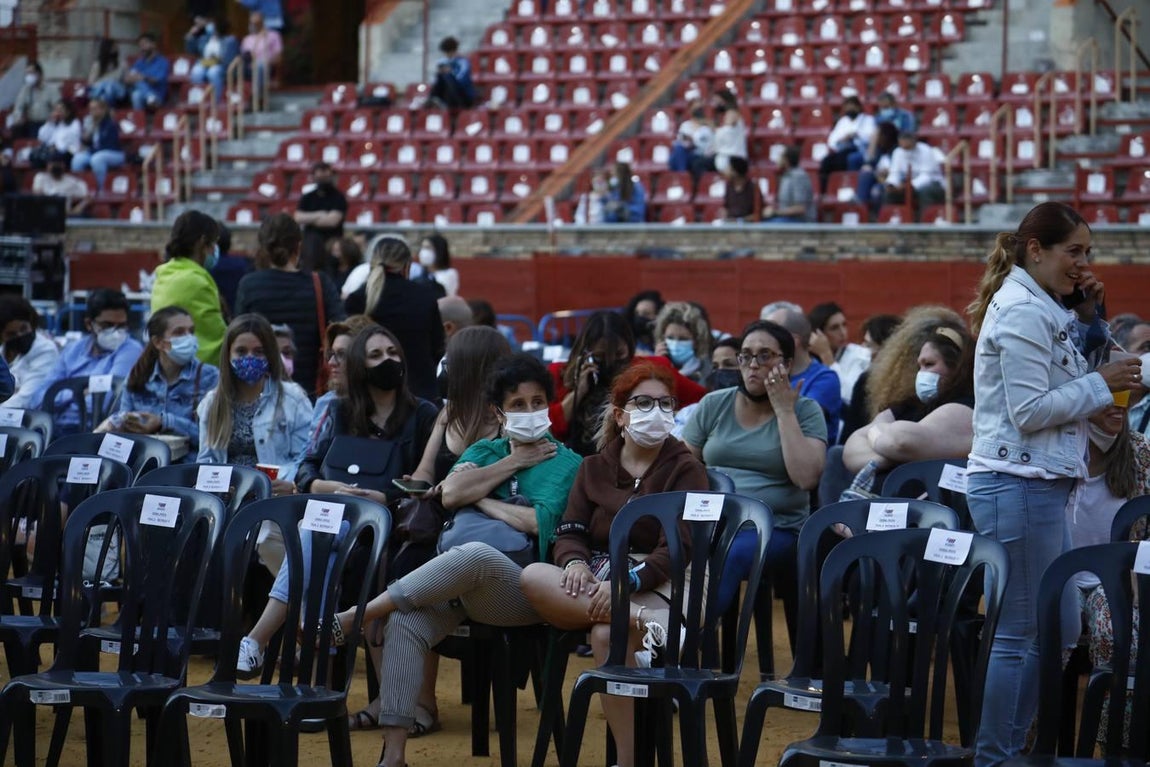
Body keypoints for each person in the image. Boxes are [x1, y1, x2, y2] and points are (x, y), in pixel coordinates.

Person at [328, 353, 582, 767]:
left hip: (523, 589)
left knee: (476, 554)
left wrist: (481, 499)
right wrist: (513, 462)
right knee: (406, 622)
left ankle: (359, 615)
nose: (530, 412)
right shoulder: (486, 450)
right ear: (499, 412)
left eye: (538, 402)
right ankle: (392, 758)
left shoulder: (568, 464)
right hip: (457, 585)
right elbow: (447, 494)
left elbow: (539, 524)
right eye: (518, 405)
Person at [964, 201, 1142, 767]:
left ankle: (1009, 751)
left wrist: (1091, 319)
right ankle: (998, 758)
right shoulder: (1021, 310)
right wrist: (1099, 383)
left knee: (1060, 625)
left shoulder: (1041, 305)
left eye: (1088, 252)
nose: (1084, 262)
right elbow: (1030, 410)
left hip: (1037, 484)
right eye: (1073, 251)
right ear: (1035, 250)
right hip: (1016, 482)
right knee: (1022, 633)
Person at [521, 363, 709, 766]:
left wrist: (625, 583)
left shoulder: (686, 468)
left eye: (665, 403)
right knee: (533, 575)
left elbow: (680, 547)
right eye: (643, 403)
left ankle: (626, 760)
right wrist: (573, 564)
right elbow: (571, 531)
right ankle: (642, 620)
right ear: (621, 414)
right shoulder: (593, 467)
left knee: (607, 635)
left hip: (670, 576)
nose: (655, 412)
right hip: (602, 574)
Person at [236, 324, 439, 679]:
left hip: (391, 524)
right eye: (375, 355)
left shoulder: (422, 414)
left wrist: (383, 497)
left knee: (318, 531)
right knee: (322, 530)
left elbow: (428, 482)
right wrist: (326, 485)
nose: (387, 361)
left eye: (392, 354)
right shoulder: (341, 412)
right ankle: (313, 638)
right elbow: (307, 468)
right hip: (337, 515)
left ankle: (259, 639)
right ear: (361, 365)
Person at [344, 324, 512, 733]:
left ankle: (422, 702)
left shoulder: (507, 420)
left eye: (452, 359)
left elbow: (506, 489)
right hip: (435, 521)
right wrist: (414, 489)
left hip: (481, 532)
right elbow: (422, 473)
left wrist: (454, 490)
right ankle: (388, 693)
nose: (444, 367)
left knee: (413, 573)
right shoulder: (448, 414)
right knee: (369, 563)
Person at [682, 320, 827, 635]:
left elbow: (806, 478)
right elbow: (681, 467)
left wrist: (784, 411)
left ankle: (682, 636)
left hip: (778, 528)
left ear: (787, 364)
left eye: (765, 356)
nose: (753, 366)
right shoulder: (714, 404)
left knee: (731, 553)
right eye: (746, 356)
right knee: (673, 545)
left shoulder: (806, 410)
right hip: (713, 521)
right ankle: (650, 625)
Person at [828, 308, 974, 502]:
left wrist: (877, 435)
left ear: (957, 368)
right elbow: (852, 450)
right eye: (919, 366)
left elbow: (901, 441)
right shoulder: (908, 405)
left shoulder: (965, 407)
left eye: (929, 364)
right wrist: (894, 454)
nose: (921, 373)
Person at [549, 311, 706, 456]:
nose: (610, 362)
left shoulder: (649, 368)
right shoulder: (562, 374)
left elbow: (703, 400)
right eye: (600, 356)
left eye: (619, 354)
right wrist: (578, 392)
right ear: (586, 352)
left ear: (629, 347)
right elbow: (550, 429)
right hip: (578, 459)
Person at [197, 313, 313, 501]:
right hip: (225, 503)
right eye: (241, 352)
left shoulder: (293, 399)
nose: (249, 358)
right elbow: (205, 460)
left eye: (259, 352)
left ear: (270, 354)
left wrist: (290, 481)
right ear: (228, 355)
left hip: (274, 499)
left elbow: (305, 458)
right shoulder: (212, 403)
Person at [235, 213, 346, 397]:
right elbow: (342, 329)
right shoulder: (320, 283)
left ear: (263, 248)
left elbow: (238, 337)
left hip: (260, 387)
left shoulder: (249, 285)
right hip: (311, 386)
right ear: (298, 247)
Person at [110, 305, 220, 458]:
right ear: (158, 342)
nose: (189, 338)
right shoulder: (138, 376)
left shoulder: (210, 377)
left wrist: (165, 422)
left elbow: (213, 439)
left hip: (188, 468)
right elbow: (124, 431)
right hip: (144, 465)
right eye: (179, 332)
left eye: (191, 331)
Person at [345, 235, 445, 402]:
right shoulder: (425, 297)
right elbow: (437, 349)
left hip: (372, 394)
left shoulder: (357, 299)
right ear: (407, 266)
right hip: (420, 393)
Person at [32, 288, 144, 436]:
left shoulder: (130, 350)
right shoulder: (73, 350)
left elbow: (105, 405)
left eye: (121, 325)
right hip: (55, 430)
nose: (116, 332)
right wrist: (76, 393)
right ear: (89, 324)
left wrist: (62, 394)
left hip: (98, 434)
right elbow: (39, 399)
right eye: (107, 325)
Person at [151, 210, 227, 367]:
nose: (214, 250)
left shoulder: (164, 275)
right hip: (200, 373)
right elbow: (218, 339)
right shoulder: (196, 281)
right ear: (202, 243)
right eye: (213, 243)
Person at [763, 306, 843, 445]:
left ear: (793, 341)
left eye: (771, 334)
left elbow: (806, 419)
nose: (762, 340)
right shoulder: (767, 372)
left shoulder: (825, 378)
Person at [839, 313, 901, 444]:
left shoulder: (908, 386)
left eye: (868, 345)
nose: (863, 350)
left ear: (887, 349)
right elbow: (848, 436)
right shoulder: (865, 380)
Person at [808, 302, 872, 410]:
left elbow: (851, 396)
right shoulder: (810, 360)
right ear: (818, 334)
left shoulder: (859, 355)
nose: (842, 332)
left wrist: (827, 357)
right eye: (834, 328)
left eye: (844, 325)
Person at [0, 295, 60, 409]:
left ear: (32, 323)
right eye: (11, 334)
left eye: (24, 329)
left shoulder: (45, 350)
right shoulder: (2, 350)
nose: (20, 336)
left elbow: (26, 399)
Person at [294, 162, 348, 273]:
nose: (322, 180)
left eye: (326, 177)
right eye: (319, 177)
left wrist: (310, 219)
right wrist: (320, 214)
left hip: (332, 240)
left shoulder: (338, 196)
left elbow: (332, 221)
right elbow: (298, 217)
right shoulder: (308, 197)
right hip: (311, 242)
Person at [819, 95, 876, 194]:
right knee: (826, 161)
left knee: (848, 160)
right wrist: (842, 139)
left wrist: (855, 134)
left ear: (858, 107)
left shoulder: (868, 120)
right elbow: (832, 140)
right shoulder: (843, 121)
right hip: (842, 149)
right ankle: (824, 191)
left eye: (852, 107)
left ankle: (847, 187)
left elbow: (870, 138)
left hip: (859, 149)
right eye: (847, 107)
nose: (849, 109)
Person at [883, 129, 946, 211]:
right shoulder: (897, 152)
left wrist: (909, 186)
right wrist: (891, 184)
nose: (905, 147)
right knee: (889, 193)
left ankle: (926, 220)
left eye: (907, 145)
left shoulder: (926, 150)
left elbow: (927, 176)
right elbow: (895, 173)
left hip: (933, 184)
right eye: (902, 144)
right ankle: (893, 219)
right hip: (907, 184)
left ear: (914, 141)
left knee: (925, 192)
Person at [71, 98, 125, 191]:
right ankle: (81, 189)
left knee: (97, 159)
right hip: (96, 152)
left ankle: (101, 189)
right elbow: (87, 142)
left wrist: (91, 149)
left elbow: (109, 144)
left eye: (95, 109)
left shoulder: (110, 124)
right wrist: (89, 133)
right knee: (77, 159)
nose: (92, 112)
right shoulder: (91, 123)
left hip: (114, 153)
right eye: (91, 109)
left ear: (103, 110)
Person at [653, 301, 713, 383]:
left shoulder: (709, 373)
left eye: (683, 339)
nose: (675, 343)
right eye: (670, 337)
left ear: (696, 341)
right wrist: (657, 366)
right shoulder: (652, 369)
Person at [692, 89, 747, 177]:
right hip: (724, 155)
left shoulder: (731, 113)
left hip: (732, 157)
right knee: (694, 159)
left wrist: (711, 125)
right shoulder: (726, 115)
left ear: (724, 101)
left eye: (717, 101)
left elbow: (726, 134)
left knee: (698, 164)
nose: (715, 104)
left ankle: (704, 186)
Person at [186, 16, 239, 101]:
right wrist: (191, 35)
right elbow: (191, 50)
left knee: (213, 72)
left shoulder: (230, 40)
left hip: (221, 66)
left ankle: (216, 100)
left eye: (213, 25)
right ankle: (199, 100)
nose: (210, 27)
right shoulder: (204, 39)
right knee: (196, 72)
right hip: (205, 63)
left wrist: (214, 60)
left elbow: (227, 60)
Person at [5, 61, 57, 139]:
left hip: (47, 123)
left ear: (39, 74)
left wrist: (53, 116)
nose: (29, 76)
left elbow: (57, 107)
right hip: (31, 123)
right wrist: (18, 117)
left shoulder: (51, 89)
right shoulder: (25, 89)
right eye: (27, 74)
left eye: (31, 73)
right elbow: (18, 107)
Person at [763, 146, 814, 223]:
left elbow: (801, 208)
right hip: (787, 218)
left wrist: (775, 212)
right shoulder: (786, 175)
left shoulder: (798, 176)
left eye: (780, 157)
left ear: (786, 160)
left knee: (764, 228)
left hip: (801, 221)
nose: (777, 160)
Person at [239, 10, 283, 92]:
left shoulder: (273, 35)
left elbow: (278, 58)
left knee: (259, 65)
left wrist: (267, 61)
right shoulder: (247, 39)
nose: (253, 26)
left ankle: (256, 94)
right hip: (249, 68)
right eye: (251, 23)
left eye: (256, 23)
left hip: (266, 66)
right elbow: (243, 56)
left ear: (262, 23)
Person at [429, 36, 476, 109]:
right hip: (448, 94)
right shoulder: (443, 62)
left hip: (463, 95)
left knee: (447, 76)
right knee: (441, 76)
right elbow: (436, 81)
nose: (447, 55)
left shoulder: (463, 62)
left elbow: (463, 80)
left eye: (449, 52)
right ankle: (433, 99)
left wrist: (451, 72)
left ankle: (445, 103)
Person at [126, 33, 171, 110]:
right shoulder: (139, 62)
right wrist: (137, 78)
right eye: (140, 45)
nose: (142, 48)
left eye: (144, 44)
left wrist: (143, 77)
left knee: (137, 89)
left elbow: (156, 81)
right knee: (136, 94)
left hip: (157, 95)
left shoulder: (162, 62)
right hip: (143, 95)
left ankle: (151, 97)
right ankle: (149, 97)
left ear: (153, 45)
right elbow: (127, 79)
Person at [668, 99, 714, 173]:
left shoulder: (708, 127)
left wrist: (695, 142)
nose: (697, 111)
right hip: (685, 153)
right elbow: (680, 141)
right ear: (690, 111)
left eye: (699, 109)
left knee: (681, 154)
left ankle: (682, 177)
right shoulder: (685, 125)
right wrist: (689, 141)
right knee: (678, 150)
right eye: (695, 109)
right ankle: (682, 175)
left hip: (699, 155)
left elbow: (711, 145)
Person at [33, 101, 82, 168]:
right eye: (56, 110)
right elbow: (42, 137)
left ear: (68, 111)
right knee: (34, 155)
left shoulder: (74, 123)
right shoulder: (56, 123)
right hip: (53, 151)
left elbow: (70, 140)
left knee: (50, 157)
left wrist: (56, 147)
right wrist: (50, 122)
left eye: (61, 110)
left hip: (69, 152)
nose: (58, 113)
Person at [719, 156, 762, 223]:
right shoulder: (729, 186)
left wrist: (740, 220)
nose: (725, 171)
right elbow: (726, 207)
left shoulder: (753, 188)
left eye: (728, 168)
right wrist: (724, 212)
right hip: (730, 222)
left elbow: (759, 213)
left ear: (735, 172)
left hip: (748, 225)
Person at [623, 291, 664, 355]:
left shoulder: (664, 342)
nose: (639, 317)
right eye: (637, 313)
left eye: (645, 314)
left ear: (658, 316)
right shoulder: (627, 342)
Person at [88, 38, 126, 105]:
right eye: (113, 46)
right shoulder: (98, 65)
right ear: (106, 48)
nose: (116, 48)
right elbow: (91, 83)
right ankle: (107, 108)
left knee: (110, 84)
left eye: (116, 47)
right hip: (101, 91)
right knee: (105, 90)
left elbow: (125, 81)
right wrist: (104, 84)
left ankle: (99, 101)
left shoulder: (122, 64)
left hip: (117, 91)